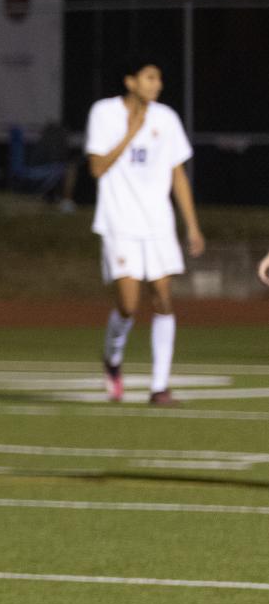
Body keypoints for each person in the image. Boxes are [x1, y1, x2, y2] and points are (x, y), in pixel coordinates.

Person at [85, 58, 205, 407]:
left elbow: (177, 174)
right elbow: (96, 167)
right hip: (119, 222)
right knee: (127, 304)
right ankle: (112, 358)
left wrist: (192, 225)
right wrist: (131, 132)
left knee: (164, 297)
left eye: (159, 77)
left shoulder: (166, 119)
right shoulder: (104, 113)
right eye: (150, 77)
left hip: (158, 223)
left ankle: (160, 387)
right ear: (130, 81)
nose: (157, 84)